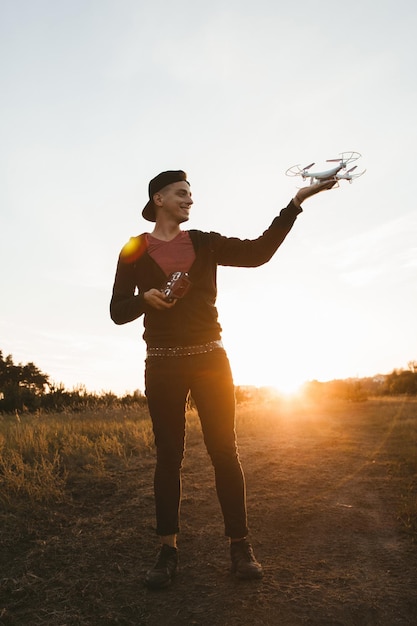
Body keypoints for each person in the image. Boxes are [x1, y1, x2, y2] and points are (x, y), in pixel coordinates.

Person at [110, 169, 335, 589]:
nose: (189, 200)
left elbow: (259, 252)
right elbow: (117, 310)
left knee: (224, 452)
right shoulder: (133, 249)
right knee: (168, 457)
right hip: (162, 362)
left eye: (191, 195)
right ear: (158, 199)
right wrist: (145, 299)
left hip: (211, 359)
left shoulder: (205, 241)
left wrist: (296, 203)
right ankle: (167, 551)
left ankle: (239, 546)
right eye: (181, 193)